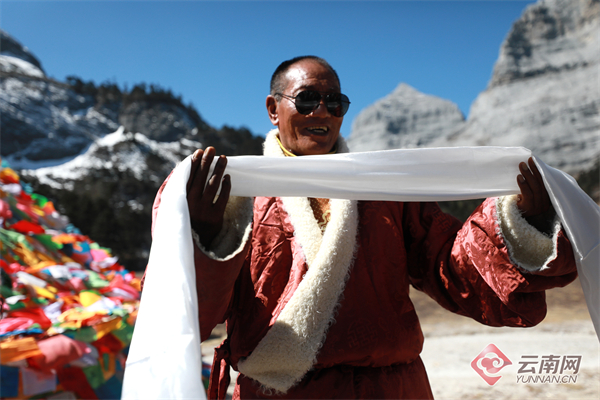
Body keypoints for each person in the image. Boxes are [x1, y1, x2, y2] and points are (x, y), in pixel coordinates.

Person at [151, 56, 577, 399]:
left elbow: (452, 265)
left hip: (393, 387)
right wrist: (206, 238)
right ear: (272, 108)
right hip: (280, 393)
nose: (322, 111)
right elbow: (188, 314)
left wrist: (521, 219)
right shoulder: (238, 198)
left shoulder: (382, 190)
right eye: (307, 99)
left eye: (334, 102)